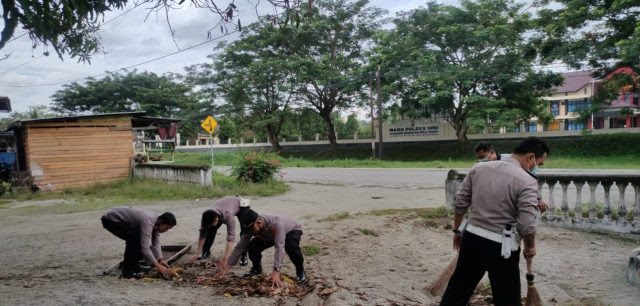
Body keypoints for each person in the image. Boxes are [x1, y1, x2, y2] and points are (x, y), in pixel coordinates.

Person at [441, 137, 549, 306]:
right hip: (502, 248)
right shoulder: (527, 180)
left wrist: (457, 231)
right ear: (530, 157)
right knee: (507, 298)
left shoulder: (479, 168)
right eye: (539, 163)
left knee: (457, 292)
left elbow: (460, 203)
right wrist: (530, 246)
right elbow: (526, 224)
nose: (537, 168)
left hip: (471, 239)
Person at [218, 209, 306, 286]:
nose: (250, 233)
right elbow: (240, 247)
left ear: (259, 222)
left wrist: (276, 271)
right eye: (248, 231)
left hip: (291, 230)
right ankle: (257, 269)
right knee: (252, 246)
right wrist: (229, 264)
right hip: (269, 235)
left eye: (251, 230)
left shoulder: (276, 223)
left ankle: (300, 271)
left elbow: (279, 247)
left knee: (291, 247)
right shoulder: (251, 228)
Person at [101, 207, 176, 279]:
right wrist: (158, 266)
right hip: (111, 219)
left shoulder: (156, 222)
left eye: (168, 229)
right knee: (134, 240)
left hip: (121, 220)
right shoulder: (149, 221)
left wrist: (160, 259)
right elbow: (145, 248)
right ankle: (127, 272)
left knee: (137, 238)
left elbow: (156, 243)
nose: (166, 231)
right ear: (161, 222)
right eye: (166, 228)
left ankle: (135, 265)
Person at [474, 141, 547, 213]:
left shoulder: (511, 160)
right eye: (479, 158)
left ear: (492, 152)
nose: (481, 160)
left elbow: (529, 179)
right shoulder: (483, 167)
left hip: (515, 203)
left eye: (482, 157)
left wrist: (539, 199)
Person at [189, 196, 250, 266]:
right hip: (224, 205)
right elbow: (203, 233)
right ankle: (205, 251)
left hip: (241, 204)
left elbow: (231, 238)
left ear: (216, 219)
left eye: (213, 223)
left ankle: (244, 255)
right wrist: (197, 253)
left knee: (244, 231)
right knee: (211, 230)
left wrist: (226, 258)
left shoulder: (228, 215)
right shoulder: (206, 214)